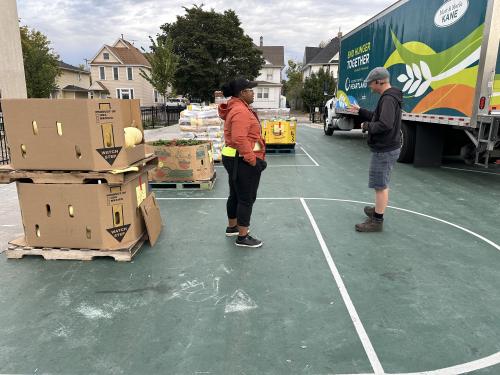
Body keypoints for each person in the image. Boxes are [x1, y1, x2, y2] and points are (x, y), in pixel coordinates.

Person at [349, 67, 402, 232]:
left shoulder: (388, 99)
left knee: (380, 185)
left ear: (379, 82)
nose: (370, 87)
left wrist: (366, 126)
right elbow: (379, 117)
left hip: (385, 149)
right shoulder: (390, 96)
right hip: (387, 147)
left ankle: (377, 220)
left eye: (371, 84)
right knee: (381, 183)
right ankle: (378, 209)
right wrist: (361, 112)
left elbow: (385, 124)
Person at [217, 78, 267, 248]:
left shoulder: (238, 107)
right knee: (246, 198)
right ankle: (243, 237)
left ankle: (232, 227)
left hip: (235, 158)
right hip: (242, 160)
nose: (253, 92)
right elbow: (239, 138)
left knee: (236, 194)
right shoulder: (241, 111)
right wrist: (253, 160)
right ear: (242, 93)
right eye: (250, 90)